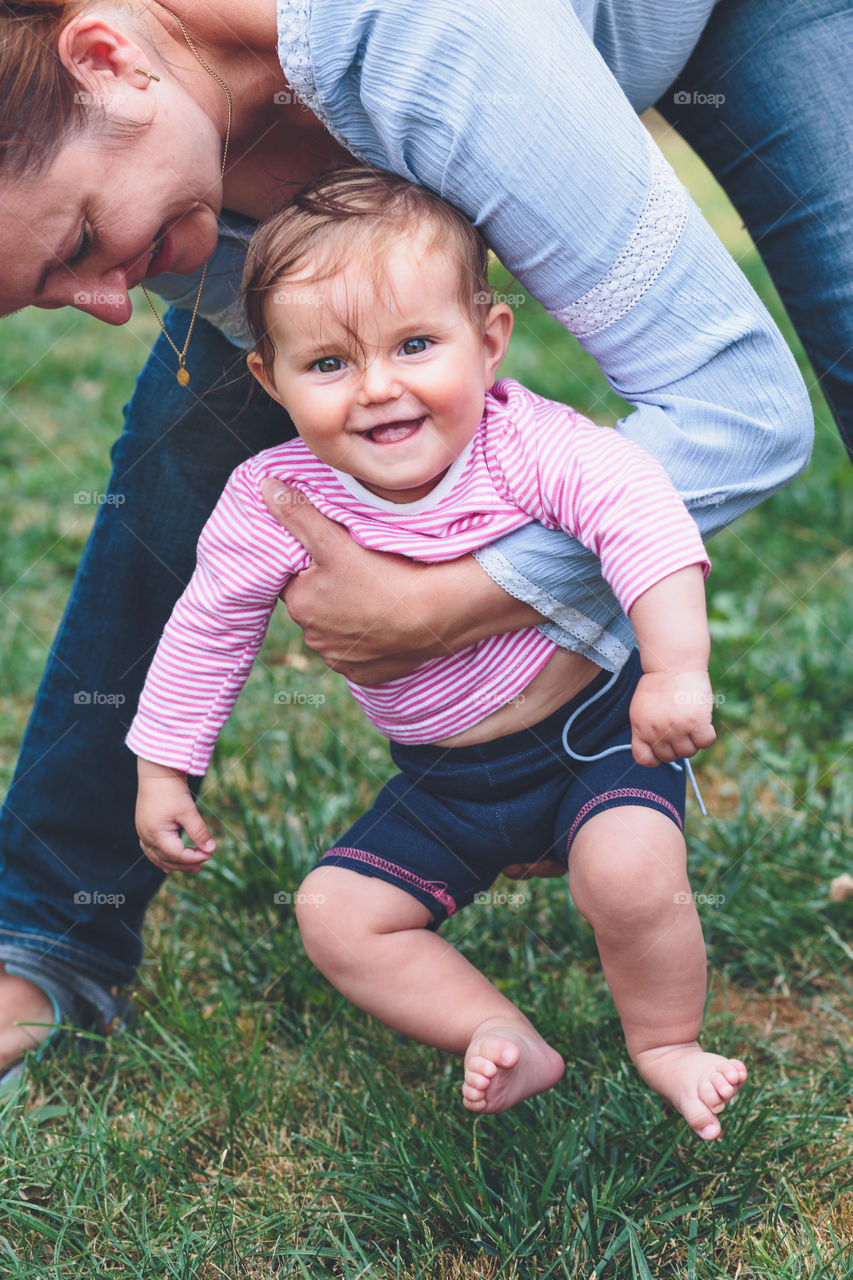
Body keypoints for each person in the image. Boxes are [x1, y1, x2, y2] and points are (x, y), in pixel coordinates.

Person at [0, 0, 830, 1087]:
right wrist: (166, 755)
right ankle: (47, 924)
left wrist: (446, 604)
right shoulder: (154, 155)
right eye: (45, 294)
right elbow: (257, 537)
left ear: (107, 57)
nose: (106, 302)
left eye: (80, 245)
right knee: (186, 451)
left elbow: (740, 408)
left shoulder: (427, 34)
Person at [128, 168, 747, 1139]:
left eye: (415, 345)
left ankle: (665, 1040)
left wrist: (672, 669)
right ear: (268, 377)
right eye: (327, 364)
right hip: (446, 781)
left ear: (487, 339)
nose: (378, 387)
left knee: (629, 872)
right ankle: (496, 1031)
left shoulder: (525, 445)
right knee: (335, 910)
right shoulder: (271, 496)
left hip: (591, 734)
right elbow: (208, 623)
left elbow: (641, 516)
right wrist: (164, 765)